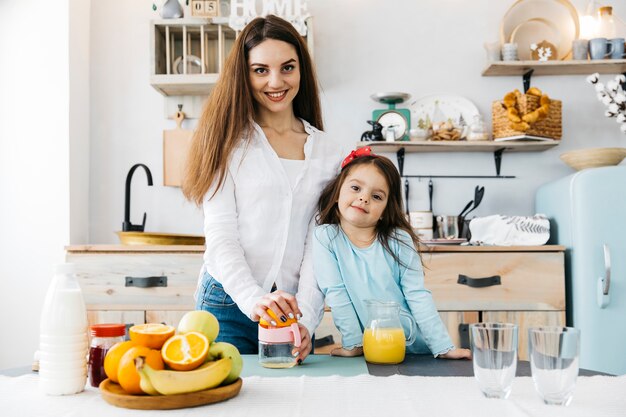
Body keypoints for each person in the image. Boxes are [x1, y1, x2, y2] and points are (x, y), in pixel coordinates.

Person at [182, 15, 342, 362]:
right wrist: (254, 299)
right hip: (226, 303)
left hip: (290, 309)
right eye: (260, 70)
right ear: (244, 74)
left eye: (287, 67)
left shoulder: (329, 152)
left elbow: (320, 245)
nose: (275, 81)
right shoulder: (226, 142)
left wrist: (308, 320)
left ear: (302, 69)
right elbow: (221, 234)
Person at [313, 147, 471, 359]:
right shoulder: (325, 237)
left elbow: (417, 295)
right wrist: (352, 343)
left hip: (413, 349)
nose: (364, 198)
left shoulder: (399, 240)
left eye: (377, 196)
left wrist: (443, 347)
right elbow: (336, 293)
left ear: (385, 211)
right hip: (369, 348)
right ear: (336, 193)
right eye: (355, 188)